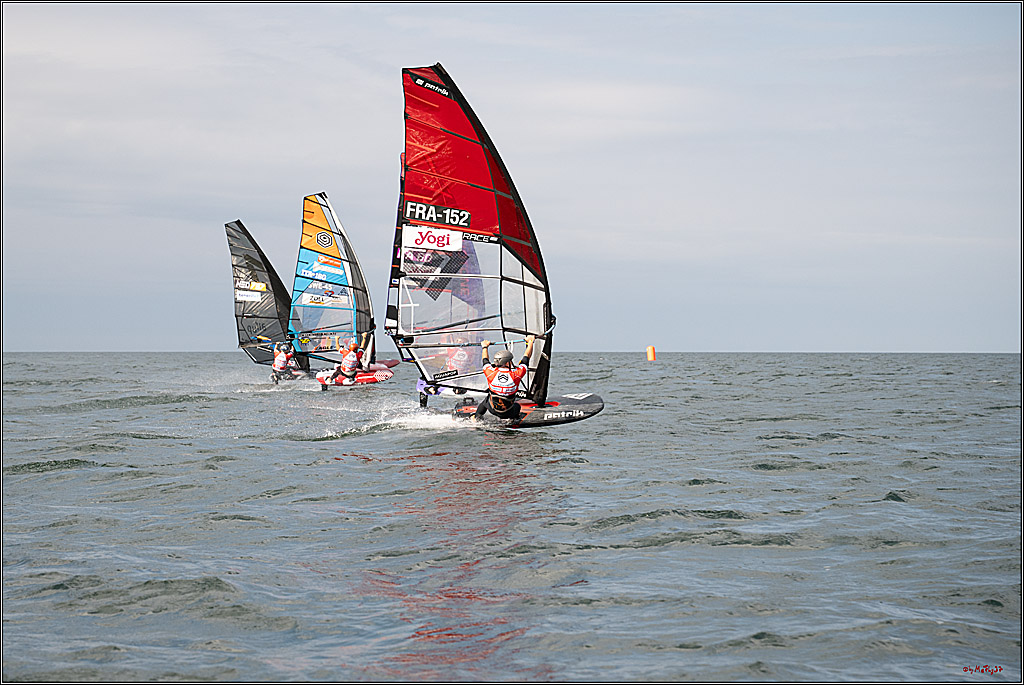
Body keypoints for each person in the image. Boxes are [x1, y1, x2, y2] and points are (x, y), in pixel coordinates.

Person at [473, 335, 535, 422]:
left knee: (486, 400)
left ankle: (477, 417)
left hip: (492, 410)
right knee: (517, 406)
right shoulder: (516, 374)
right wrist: (530, 342)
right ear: (508, 363)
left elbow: (485, 360)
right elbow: (526, 358)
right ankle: (514, 419)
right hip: (508, 412)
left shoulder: (490, 373)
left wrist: (485, 346)